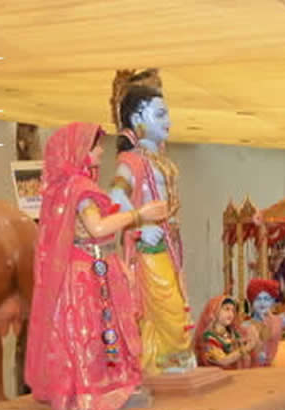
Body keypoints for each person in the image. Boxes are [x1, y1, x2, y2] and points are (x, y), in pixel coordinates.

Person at [27, 122, 167, 410]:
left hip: (84, 268)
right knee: (92, 332)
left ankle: (82, 390)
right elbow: (97, 227)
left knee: (86, 334)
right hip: (87, 275)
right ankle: (94, 391)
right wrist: (139, 215)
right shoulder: (80, 188)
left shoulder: (67, 187)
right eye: (96, 146)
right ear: (79, 150)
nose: (102, 151)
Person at [110, 69, 197, 374]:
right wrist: (139, 226)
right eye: (160, 115)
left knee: (177, 303)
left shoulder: (160, 160)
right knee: (163, 307)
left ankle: (169, 361)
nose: (168, 122)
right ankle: (156, 363)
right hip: (149, 247)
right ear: (137, 119)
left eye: (167, 114)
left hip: (168, 244)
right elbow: (115, 199)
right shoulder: (130, 161)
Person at [194, 295, 254, 368]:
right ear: (214, 310)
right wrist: (246, 348)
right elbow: (222, 361)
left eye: (233, 310)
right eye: (227, 309)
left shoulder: (233, 333)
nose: (231, 314)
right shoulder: (208, 337)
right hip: (217, 374)